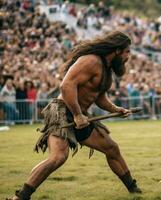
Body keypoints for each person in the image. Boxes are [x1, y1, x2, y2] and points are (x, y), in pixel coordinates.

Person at [8, 31, 141, 200]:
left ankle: (134, 191)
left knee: (111, 148)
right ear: (117, 50)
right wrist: (77, 114)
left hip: (82, 116)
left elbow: (99, 97)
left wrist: (116, 109)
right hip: (62, 112)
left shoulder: (107, 70)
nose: (128, 57)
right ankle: (21, 197)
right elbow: (66, 85)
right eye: (127, 52)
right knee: (58, 157)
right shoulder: (91, 61)